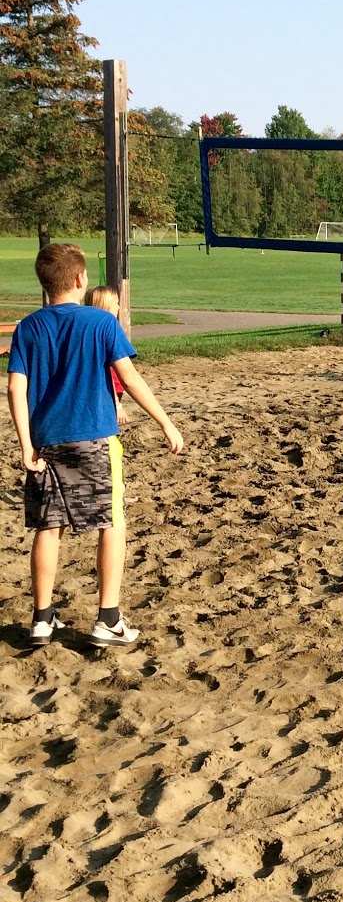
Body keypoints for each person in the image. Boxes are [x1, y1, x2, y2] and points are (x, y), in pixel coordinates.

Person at [6, 243, 184, 648]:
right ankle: (107, 618)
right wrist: (166, 423)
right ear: (79, 280)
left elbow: (17, 388)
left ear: (43, 283)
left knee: (50, 527)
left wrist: (25, 444)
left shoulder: (28, 328)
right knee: (111, 521)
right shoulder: (101, 323)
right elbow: (132, 380)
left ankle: (42, 619)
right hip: (95, 438)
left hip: (46, 442)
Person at [84, 285, 129, 426]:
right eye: (116, 303)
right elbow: (106, 373)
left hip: (108, 390)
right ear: (107, 306)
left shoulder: (89, 329)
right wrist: (118, 406)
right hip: (109, 392)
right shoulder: (107, 331)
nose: (119, 308)